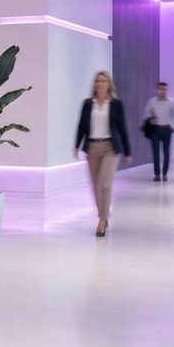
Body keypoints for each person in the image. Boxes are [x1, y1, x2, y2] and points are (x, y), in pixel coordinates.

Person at [74, 71, 132, 237]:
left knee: (105, 184)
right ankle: (104, 214)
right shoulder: (87, 104)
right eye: (98, 81)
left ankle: (102, 220)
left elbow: (122, 128)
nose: (100, 84)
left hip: (110, 148)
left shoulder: (116, 104)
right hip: (92, 147)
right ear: (95, 84)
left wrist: (127, 151)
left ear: (109, 84)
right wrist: (76, 145)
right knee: (95, 185)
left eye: (103, 81)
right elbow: (81, 126)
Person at [143, 82, 174, 181]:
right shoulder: (152, 101)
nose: (162, 91)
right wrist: (151, 119)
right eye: (160, 89)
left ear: (166, 90)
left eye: (164, 89)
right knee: (155, 153)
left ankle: (165, 174)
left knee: (166, 153)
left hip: (167, 129)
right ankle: (157, 174)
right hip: (155, 129)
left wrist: (172, 126)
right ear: (157, 90)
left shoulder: (172, 102)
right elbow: (146, 114)